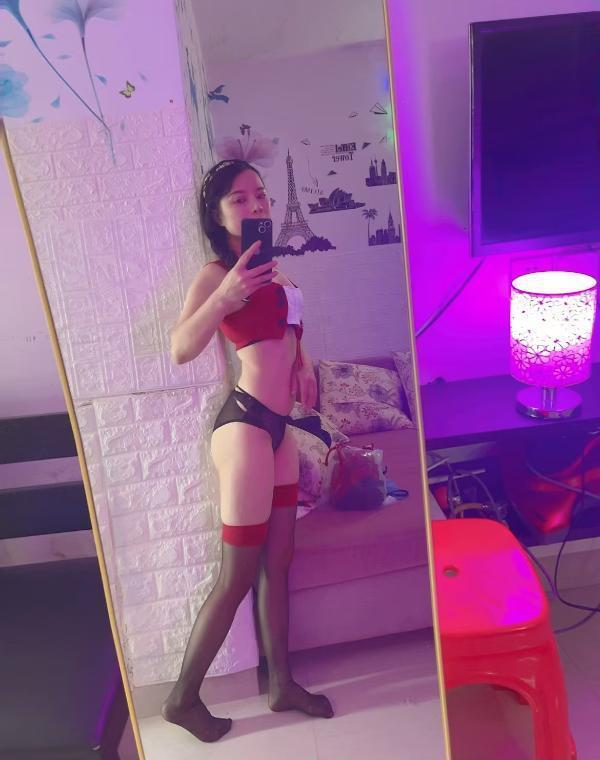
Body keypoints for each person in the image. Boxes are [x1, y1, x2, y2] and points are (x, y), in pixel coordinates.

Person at [162, 159, 334, 742]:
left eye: (260, 194)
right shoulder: (217, 274)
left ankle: (281, 684)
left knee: (279, 561)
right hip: (245, 427)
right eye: (239, 199)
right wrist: (225, 296)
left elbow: (288, 336)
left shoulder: (277, 272)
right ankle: (182, 700)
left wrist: (304, 362)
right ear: (216, 216)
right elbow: (181, 347)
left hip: (280, 428)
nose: (256, 204)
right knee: (236, 574)